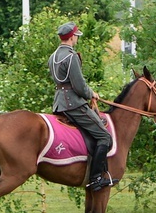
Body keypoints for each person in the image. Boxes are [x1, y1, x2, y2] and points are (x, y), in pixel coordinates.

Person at [48, 22, 114, 191]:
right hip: (73, 104)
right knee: (104, 137)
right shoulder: (71, 57)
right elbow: (79, 85)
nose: (77, 38)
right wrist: (91, 93)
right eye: (76, 36)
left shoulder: (53, 57)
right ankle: (96, 177)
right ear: (71, 37)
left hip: (59, 103)